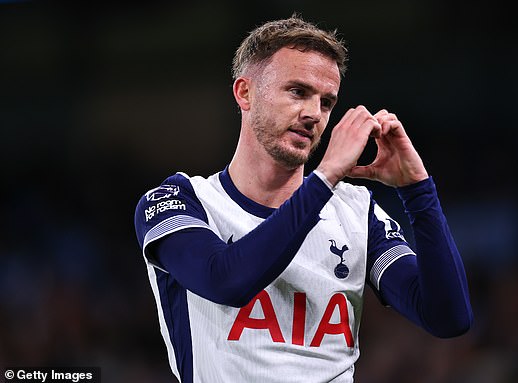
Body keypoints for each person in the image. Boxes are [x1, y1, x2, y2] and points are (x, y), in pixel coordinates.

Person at [134, 15, 473, 383]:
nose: (314, 114)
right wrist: (325, 178)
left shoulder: (357, 213)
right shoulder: (181, 200)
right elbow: (225, 282)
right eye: (297, 91)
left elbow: (448, 317)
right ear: (245, 93)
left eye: (327, 102)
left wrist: (417, 191)